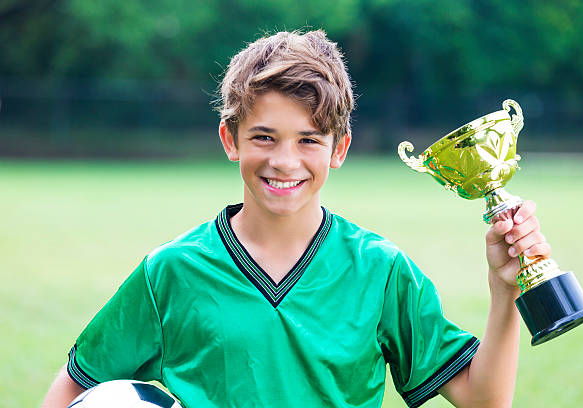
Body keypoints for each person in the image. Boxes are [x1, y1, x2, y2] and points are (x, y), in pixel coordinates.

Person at [42, 30, 550, 408]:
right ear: (230, 139)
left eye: (308, 140)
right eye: (264, 137)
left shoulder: (381, 269)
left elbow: (484, 401)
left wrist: (504, 292)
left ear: (339, 148)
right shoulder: (170, 271)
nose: (285, 161)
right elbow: (75, 386)